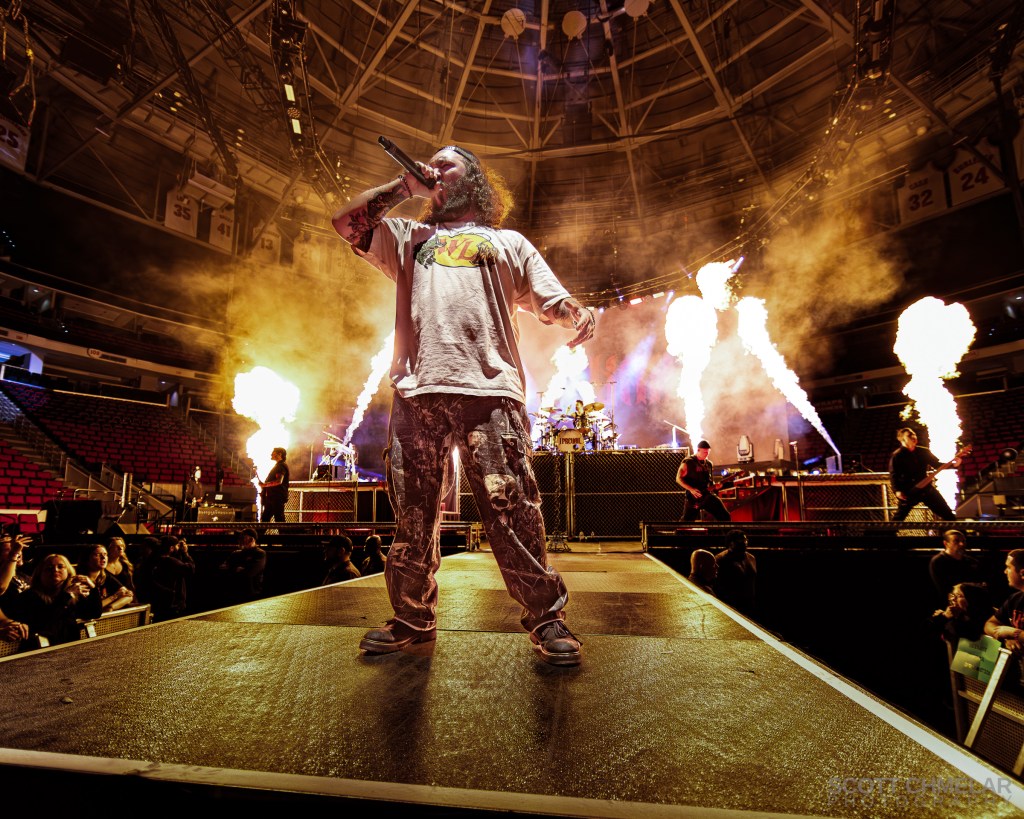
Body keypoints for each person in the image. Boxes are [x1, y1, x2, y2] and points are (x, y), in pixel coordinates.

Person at [331, 143, 596, 666]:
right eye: (431, 163)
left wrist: (574, 312)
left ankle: (546, 617)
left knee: (511, 507)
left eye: (447, 163)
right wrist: (406, 188)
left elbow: (550, 298)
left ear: (474, 177)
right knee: (413, 513)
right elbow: (345, 224)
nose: (435, 168)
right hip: (417, 390)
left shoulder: (508, 242)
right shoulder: (407, 236)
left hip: (490, 390)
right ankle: (412, 617)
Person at [6, 554, 101, 644]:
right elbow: (45, 624)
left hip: (70, 648)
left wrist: (93, 587)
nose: (55, 570)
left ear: (68, 572)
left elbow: (94, 613)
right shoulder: (29, 596)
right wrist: (66, 596)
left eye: (60, 567)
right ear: (40, 574)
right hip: (39, 648)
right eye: (49, 568)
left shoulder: (73, 595)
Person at [888, 428, 959, 522]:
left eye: (914, 434)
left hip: (926, 489)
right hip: (909, 491)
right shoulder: (897, 455)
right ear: (902, 439)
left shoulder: (923, 451)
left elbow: (937, 465)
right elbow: (894, 475)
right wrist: (897, 490)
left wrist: (954, 465)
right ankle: (887, 532)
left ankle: (957, 531)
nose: (913, 437)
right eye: (909, 435)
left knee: (948, 514)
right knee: (898, 519)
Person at [676, 440, 731, 522]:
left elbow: (710, 481)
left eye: (708, 452)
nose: (707, 454)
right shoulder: (689, 462)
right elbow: (678, 478)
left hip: (707, 496)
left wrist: (715, 486)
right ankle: (678, 530)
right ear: (698, 450)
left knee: (725, 516)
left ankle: (725, 530)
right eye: (705, 452)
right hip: (694, 498)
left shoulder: (709, 464)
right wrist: (691, 489)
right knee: (687, 521)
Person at [985, 549, 1024, 649]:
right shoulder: (1015, 598)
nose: (1005, 571)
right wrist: (1006, 638)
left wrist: (1015, 633)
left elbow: (1012, 632)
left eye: (1008, 567)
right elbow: (989, 624)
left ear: (1022, 573)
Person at [77, 544, 134, 613]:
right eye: (98, 554)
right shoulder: (80, 580)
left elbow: (128, 595)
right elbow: (93, 608)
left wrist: (110, 607)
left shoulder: (105, 576)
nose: (103, 557)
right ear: (87, 559)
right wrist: (114, 596)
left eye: (105, 554)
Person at [928, 529, 980, 599]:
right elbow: (943, 590)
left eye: (963, 541)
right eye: (956, 541)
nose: (962, 544)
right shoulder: (938, 561)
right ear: (946, 543)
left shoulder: (971, 561)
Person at [715, 529, 757, 615]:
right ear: (731, 543)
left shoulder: (751, 558)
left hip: (749, 604)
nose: (745, 543)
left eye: (745, 540)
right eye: (741, 540)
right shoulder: (720, 559)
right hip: (730, 606)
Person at [221, 528, 266, 603]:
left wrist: (233, 569)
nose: (240, 539)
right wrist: (238, 569)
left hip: (251, 594)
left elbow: (250, 572)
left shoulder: (260, 554)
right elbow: (223, 569)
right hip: (234, 593)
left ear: (251, 539)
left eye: (244, 537)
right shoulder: (236, 553)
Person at [258, 448, 290, 523]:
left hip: (277, 497)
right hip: (273, 497)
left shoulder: (280, 466)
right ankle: (261, 531)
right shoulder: (279, 465)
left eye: (273, 452)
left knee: (278, 518)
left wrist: (264, 485)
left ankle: (283, 530)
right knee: (266, 518)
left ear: (279, 454)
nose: (271, 454)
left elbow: (279, 481)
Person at [106, 536, 136, 603]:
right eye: (116, 546)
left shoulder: (125, 564)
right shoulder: (102, 565)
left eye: (122, 546)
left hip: (124, 598)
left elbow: (130, 585)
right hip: (108, 598)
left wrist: (134, 600)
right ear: (109, 548)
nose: (120, 548)